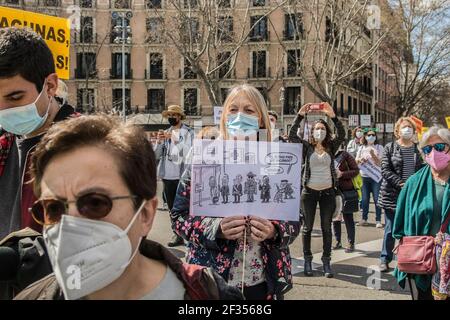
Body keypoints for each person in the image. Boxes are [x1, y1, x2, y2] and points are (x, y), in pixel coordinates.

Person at [14, 114, 243, 300]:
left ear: (145, 214)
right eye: (53, 209)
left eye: (95, 203)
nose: (68, 224)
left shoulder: (211, 294)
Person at [171, 84, 300, 300]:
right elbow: (178, 217)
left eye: (249, 110)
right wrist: (215, 229)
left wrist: (274, 231)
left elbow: (296, 219)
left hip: (262, 280)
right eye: (233, 109)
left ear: (261, 118)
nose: (240, 116)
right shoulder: (203, 156)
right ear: (224, 116)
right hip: (210, 281)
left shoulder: (278, 160)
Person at [0, 27, 78, 239]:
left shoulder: (84, 146)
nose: (3, 110)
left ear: (50, 86)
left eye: (15, 97)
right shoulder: (3, 144)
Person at [289, 102, 346, 278]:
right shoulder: (307, 147)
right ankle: (307, 260)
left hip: (328, 192)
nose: (319, 131)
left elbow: (342, 133)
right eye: (317, 129)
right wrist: (299, 115)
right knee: (306, 228)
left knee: (327, 228)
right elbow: (292, 135)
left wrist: (333, 116)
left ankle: (326, 261)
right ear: (312, 131)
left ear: (326, 131)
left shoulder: (331, 146)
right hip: (309, 192)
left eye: (322, 128)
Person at [393, 126, 450, 300]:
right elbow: (400, 219)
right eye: (427, 149)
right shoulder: (414, 183)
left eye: (439, 147)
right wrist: (399, 241)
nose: (433, 152)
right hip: (420, 259)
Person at [377, 117, 424, 272]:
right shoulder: (390, 147)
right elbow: (385, 170)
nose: (407, 130)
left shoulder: (418, 149)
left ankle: (407, 258)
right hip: (392, 195)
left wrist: (414, 186)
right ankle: (385, 259)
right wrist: (401, 183)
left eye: (410, 127)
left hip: (413, 195)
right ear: (397, 130)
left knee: (410, 229)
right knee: (390, 229)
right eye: (404, 127)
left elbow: (423, 170)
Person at [154, 105, 194, 247]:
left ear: (179, 117)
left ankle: (189, 234)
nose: (171, 117)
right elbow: (157, 155)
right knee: (172, 208)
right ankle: (176, 234)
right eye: (169, 114)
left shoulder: (188, 132)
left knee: (186, 207)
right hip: (168, 176)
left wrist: (176, 140)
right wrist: (158, 142)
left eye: (174, 115)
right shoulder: (165, 133)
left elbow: (189, 153)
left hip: (183, 176)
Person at [332, 144, 360, 253]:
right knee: (335, 218)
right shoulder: (326, 155)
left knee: (348, 218)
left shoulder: (345, 155)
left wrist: (342, 174)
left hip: (347, 191)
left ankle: (351, 242)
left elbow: (356, 171)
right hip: (333, 190)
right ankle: (337, 241)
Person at [355, 129, 384, 227]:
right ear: (365, 137)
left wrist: (372, 155)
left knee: (377, 199)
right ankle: (364, 219)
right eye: (369, 135)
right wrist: (360, 160)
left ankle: (378, 220)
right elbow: (356, 161)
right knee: (364, 199)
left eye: (373, 135)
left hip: (376, 177)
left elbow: (380, 163)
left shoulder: (379, 147)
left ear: (375, 137)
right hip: (364, 176)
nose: (371, 136)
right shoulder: (362, 147)